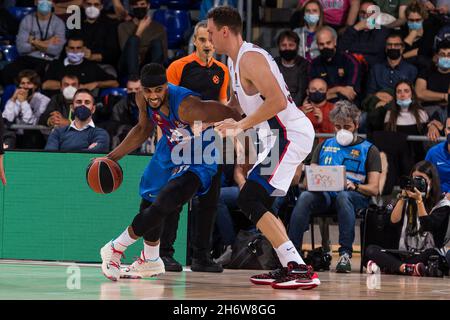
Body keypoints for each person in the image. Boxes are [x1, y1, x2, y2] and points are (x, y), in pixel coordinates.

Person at [207, 6, 320, 289]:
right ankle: (289, 265)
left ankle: (298, 268)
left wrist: (240, 127)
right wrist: (206, 119)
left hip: (289, 133)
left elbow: (278, 102)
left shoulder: (250, 58)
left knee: (249, 199)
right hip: (277, 137)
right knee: (261, 204)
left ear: (224, 31)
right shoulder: (235, 62)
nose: (208, 39)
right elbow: (237, 106)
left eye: (210, 32)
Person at [99, 63, 241, 281]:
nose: (153, 96)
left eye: (158, 90)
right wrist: (111, 158)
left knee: (168, 201)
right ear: (142, 89)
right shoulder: (141, 98)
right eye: (148, 91)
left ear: (166, 86)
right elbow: (143, 129)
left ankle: (116, 247)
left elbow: (230, 112)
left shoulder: (188, 106)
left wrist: (248, 123)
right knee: (149, 197)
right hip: (170, 147)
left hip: (199, 154)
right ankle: (151, 259)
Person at [161, 20, 230, 272]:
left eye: (210, 40)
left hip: (211, 140)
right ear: (194, 41)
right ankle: (165, 254)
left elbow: (222, 106)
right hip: (181, 139)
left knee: (209, 200)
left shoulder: (223, 70)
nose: (207, 45)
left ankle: (202, 256)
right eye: (202, 40)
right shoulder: (179, 67)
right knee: (175, 198)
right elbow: (165, 105)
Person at [287, 100, 381, 273]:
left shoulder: (370, 150)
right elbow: (308, 183)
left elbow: (375, 189)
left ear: (356, 125)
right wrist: (318, 180)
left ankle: (345, 254)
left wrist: (355, 186)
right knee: (305, 196)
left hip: (354, 197)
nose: (342, 131)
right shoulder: (323, 146)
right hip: (327, 196)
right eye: (338, 127)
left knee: (344, 197)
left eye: (347, 126)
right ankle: (293, 255)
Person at [365, 160, 450, 276]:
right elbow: (393, 221)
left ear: (431, 182)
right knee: (371, 250)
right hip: (404, 254)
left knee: (432, 255)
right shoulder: (406, 199)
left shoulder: (442, 204)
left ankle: (393, 267)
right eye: (413, 179)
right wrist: (402, 198)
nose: (416, 183)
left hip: (427, 254)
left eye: (421, 179)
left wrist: (419, 201)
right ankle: (406, 268)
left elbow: (428, 225)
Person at [42, 36, 119, 96]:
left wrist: (96, 84)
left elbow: (115, 83)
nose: (75, 51)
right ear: (66, 49)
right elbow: (45, 85)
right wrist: (73, 86)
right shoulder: (56, 64)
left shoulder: (90, 66)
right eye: (72, 48)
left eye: (78, 48)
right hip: (57, 103)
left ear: (84, 49)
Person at [44, 89, 110, 152]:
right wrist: (87, 150)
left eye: (87, 102)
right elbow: (50, 157)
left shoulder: (101, 134)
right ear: (72, 108)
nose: (82, 105)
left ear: (93, 109)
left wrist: (63, 153)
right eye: (79, 102)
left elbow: (93, 156)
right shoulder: (57, 133)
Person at [309, 26, 361, 104]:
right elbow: (314, 95)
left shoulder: (350, 61)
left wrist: (328, 93)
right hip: (321, 107)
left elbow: (351, 93)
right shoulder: (314, 64)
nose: (325, 47)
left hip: (346, 106)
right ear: (317, 45)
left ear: (335, 42)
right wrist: (339, 89)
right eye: (321, 44)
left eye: (328, 43)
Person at [118, 0, 168, 78]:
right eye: (136, 5)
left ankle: (153, 78)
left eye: (142, 4)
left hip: (149, 63)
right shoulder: (123, 27)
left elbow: (163, 55)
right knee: (132, 41)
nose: (139, 7)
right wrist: (139, 31)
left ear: (148, 6)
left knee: (156, 43)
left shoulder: (159, 28)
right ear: (131, 7)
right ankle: (134, 79)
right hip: (128, 65)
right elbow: (125, 50)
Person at [383, 81, 429, 163]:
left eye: (406, 91)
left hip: (417, 158)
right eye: (399, 91)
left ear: (412, 94)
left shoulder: (421, 114)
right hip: (397, 159)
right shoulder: (389, 114)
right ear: (395, 95)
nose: (402, 95)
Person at [2, 69, 50, 149]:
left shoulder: (43, 100)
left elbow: (31, 123)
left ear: (35, 86)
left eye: (29, 83)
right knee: (8, 136)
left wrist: (24, 102)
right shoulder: (17, 97)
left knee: (31, 136)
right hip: (18, 136)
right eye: (22, 83)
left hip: (36, 136)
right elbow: (7, 118)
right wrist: (13, 99)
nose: (25, 87)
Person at [338, 0, 391, 68]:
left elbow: (375, 49)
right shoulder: (353, 29)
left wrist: (351, 52)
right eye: (362, 12)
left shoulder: (383, 31)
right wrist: (356, 28)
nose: (366, 16)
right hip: (352, 68)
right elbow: (340, 49)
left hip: (373, 70)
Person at [367, 34, 418, 100]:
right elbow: (369, 94)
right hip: (378, 104)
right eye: (389, 45)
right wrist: (377, 95)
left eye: (396, 45)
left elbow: (413, 96)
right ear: (385, 48)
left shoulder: (412, 69)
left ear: (402, 48)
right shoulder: (376, 68)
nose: (392, 47)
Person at [415, 39, 450, 137]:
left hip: (449, 112)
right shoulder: (426, 72)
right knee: (431, 134)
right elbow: (419, 93)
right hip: (428, 111)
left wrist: (431, 96)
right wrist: (445, 96)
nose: (446, 57)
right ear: (436, 56)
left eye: (449, 55)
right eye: (443, 54)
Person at [274, 30, 309, 107]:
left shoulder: (304, 65)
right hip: (277, 107)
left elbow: (301, 91)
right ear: (278, 47)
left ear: (297, 46)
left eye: (291, 45)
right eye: (284, 45)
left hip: (299, 108)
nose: (287, 48)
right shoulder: (273, 64)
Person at [425, 117, 450, 193]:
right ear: (445, 131)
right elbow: (425, 176)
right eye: (449, 129)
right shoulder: (433, 153)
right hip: (439, 198)